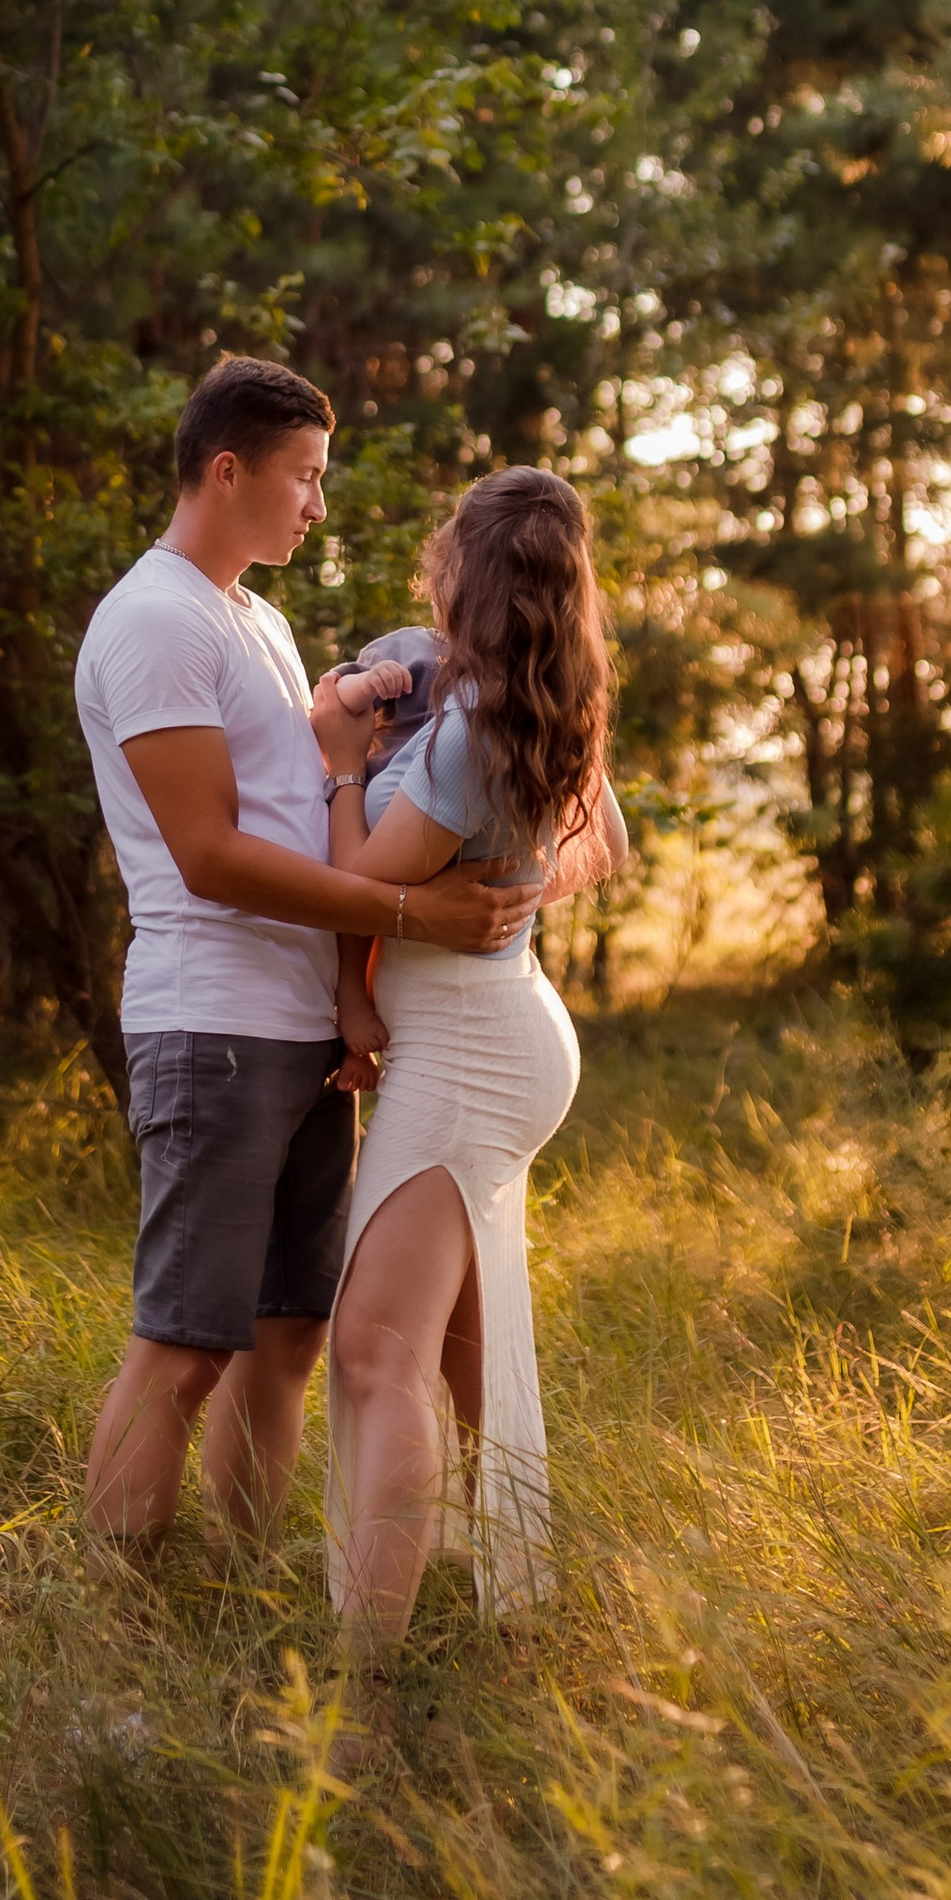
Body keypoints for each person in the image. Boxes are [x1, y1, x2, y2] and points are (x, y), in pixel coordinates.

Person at [73, 356, 535, 1554]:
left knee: (287, 1335)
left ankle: (231, 1587)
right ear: (228, 472)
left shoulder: (257, 620)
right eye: (304, 480)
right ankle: (114, 1627)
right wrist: (408, 922)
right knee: (184, 1348)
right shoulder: (153, 620)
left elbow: (304, 803)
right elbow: (210, 858)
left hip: (299, 1030)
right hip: (211, 1025)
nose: (317, 507)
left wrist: (349, 995)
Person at [316, 467, 628, 1678]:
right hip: (502, 1030)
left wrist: (345, 770)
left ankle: (364, 1675)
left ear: (466, 575)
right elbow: (604, 845)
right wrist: (523, 890)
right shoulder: (544, 706)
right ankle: (492, 1606)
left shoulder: (462, 738)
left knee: (372, 1351)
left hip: (462, 1054)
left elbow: (355, 890)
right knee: (450, 1350)